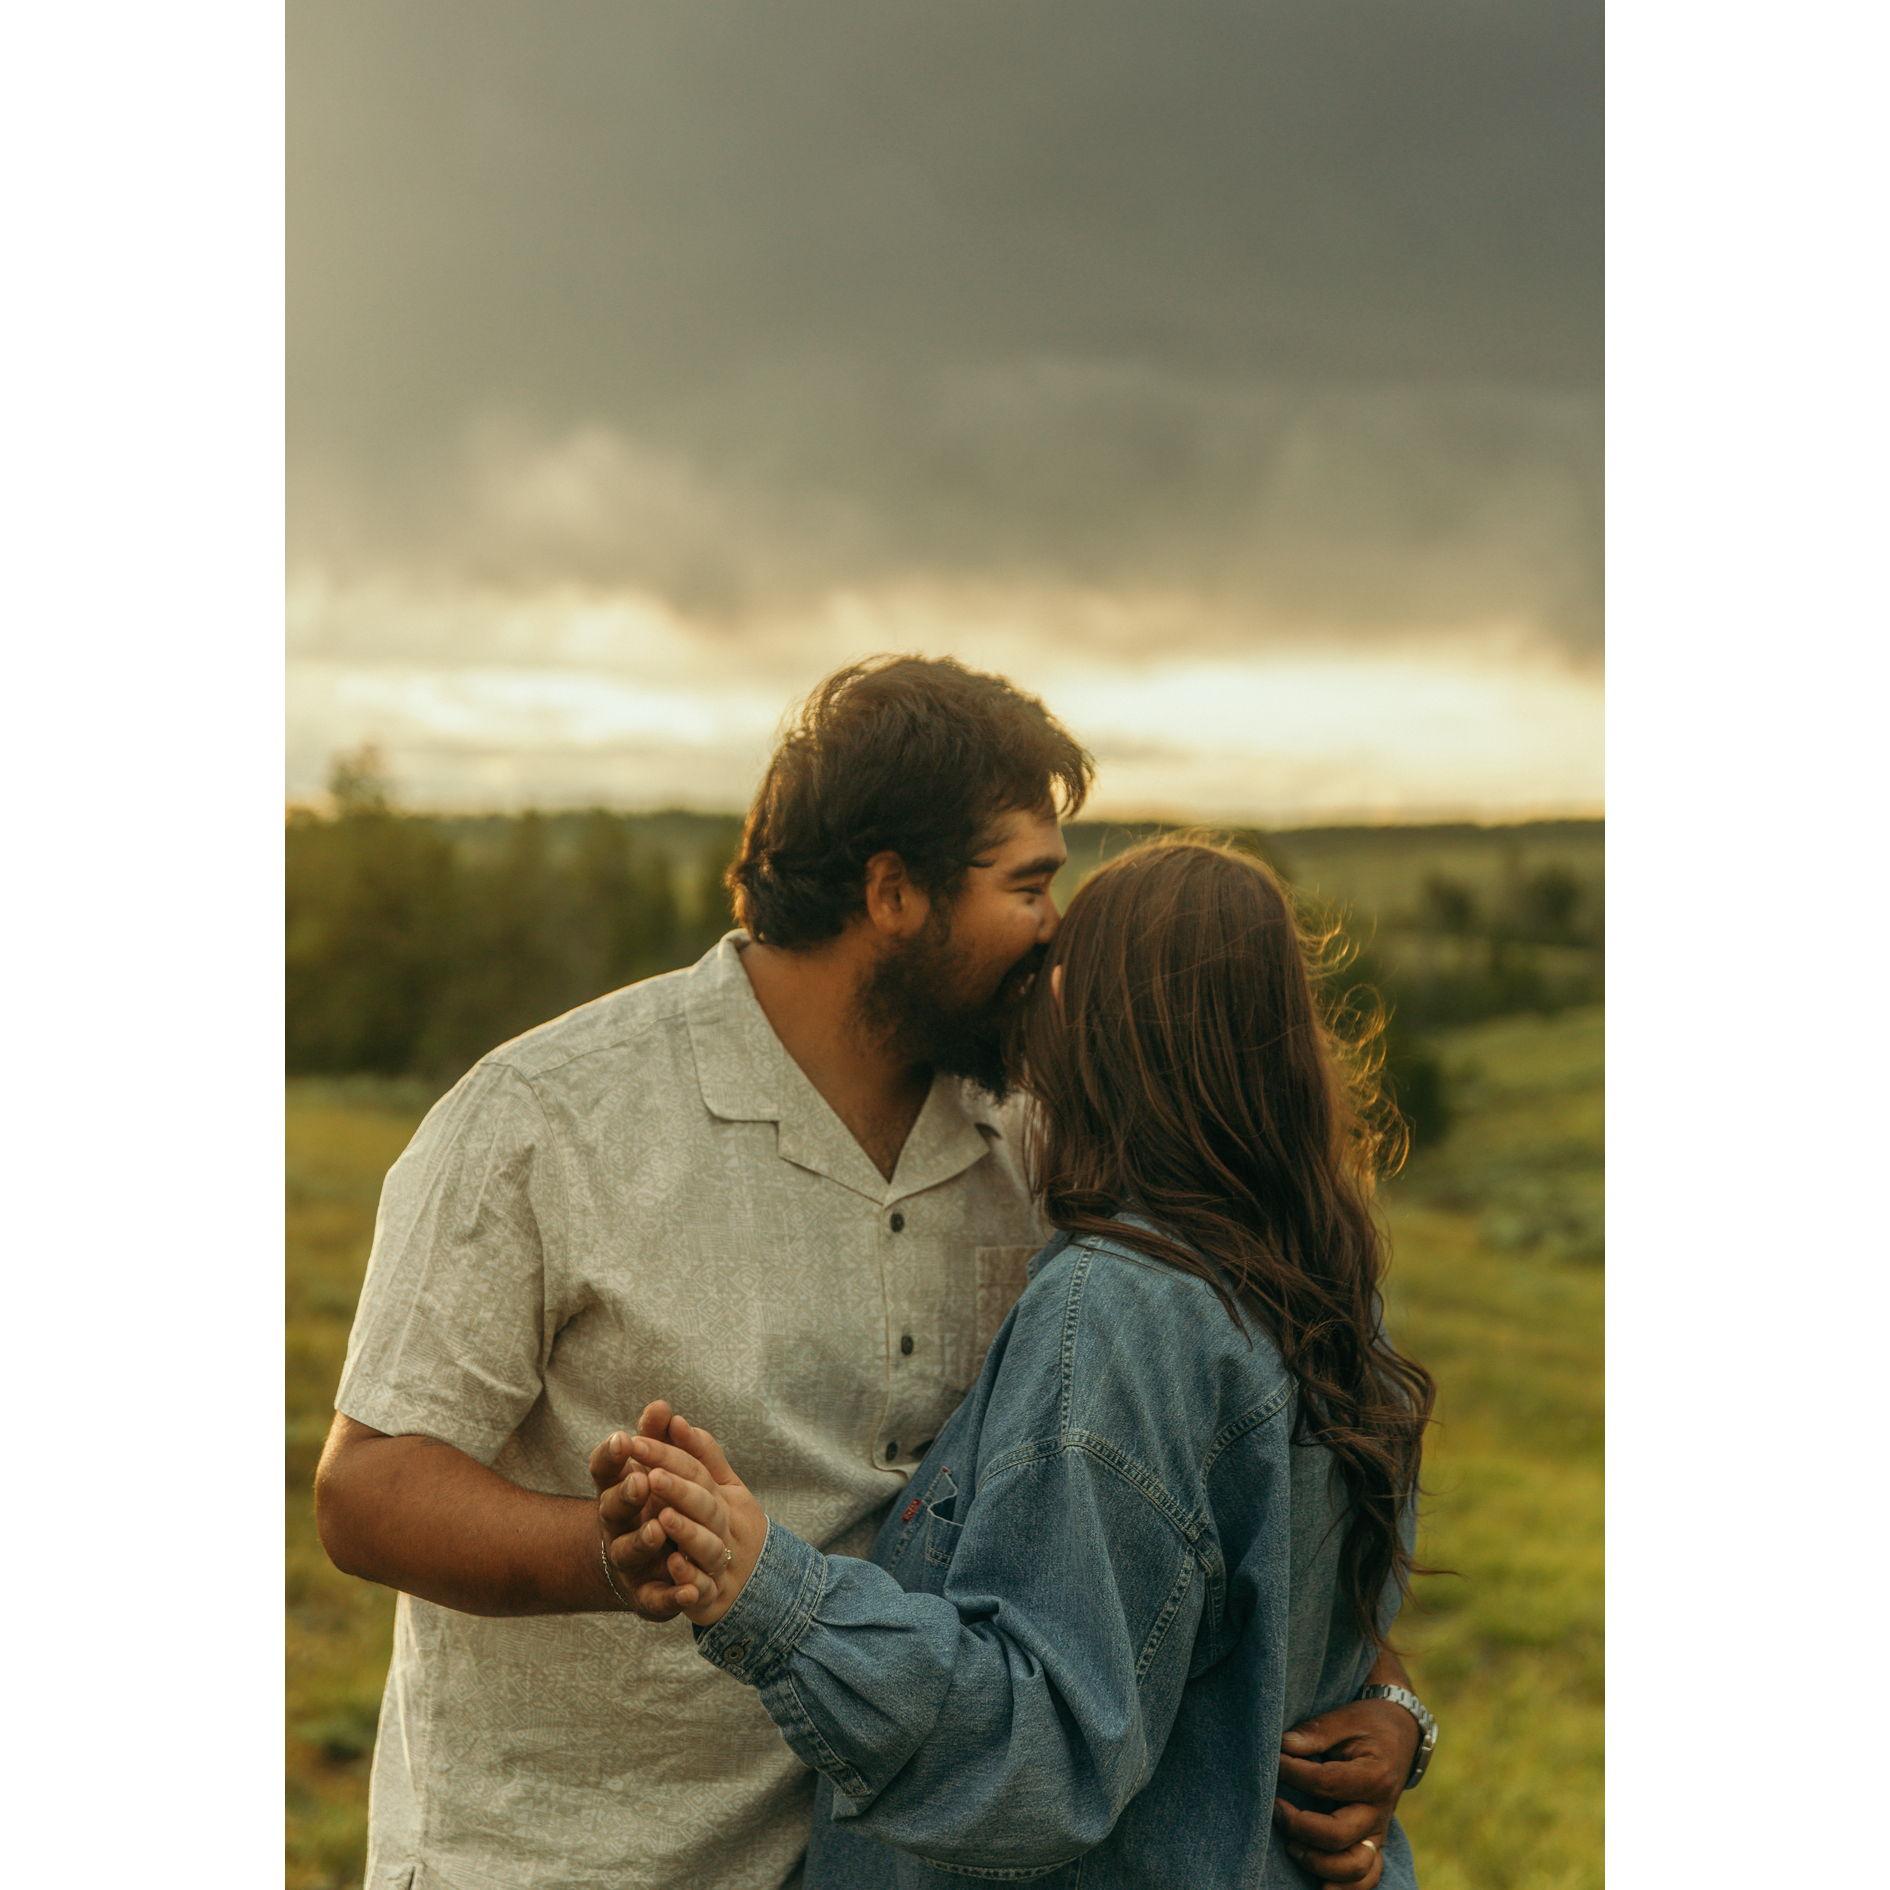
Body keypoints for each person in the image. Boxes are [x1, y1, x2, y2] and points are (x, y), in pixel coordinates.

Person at [315, 656, 1429, 1890]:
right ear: (894, 892)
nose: (1057, 929)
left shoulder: (1043, 1144)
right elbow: (366, 1492)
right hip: (568, 1858)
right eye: (1028, 886)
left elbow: (1196, 1512)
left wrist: (1382, 1699)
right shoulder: (542, 1118)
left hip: (880, 1849)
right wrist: (617, 1552)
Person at [598, 836, 1436, 1888]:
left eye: (1058, 977)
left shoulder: (1118, 1307)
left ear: (1094, 1024)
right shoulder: (1321, 1277)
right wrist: (1399, 1711)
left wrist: (767, 1586)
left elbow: (1039, 1751)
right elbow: (1309, 1636)